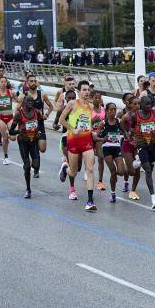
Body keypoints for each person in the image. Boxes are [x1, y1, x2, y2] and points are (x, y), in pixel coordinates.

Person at [59, 80, 98, 211]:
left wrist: (94, 130)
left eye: (88, 90)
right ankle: (65, 169)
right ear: (79, 91)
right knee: (73, 171)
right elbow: (61, 120)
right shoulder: (72, 103)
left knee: (90, 169)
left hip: (87, 142)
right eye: (84, 90)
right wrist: (72, 129)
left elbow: (89, 122)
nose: (87, 92)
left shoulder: (91, 106)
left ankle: (90, 201)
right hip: (73, 141)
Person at [126, 95, 155, 210]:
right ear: (142, 105)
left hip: (152, 144)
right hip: (141, 144)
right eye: (147, 104)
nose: (149, 106)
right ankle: (153, 198)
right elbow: (131, 128)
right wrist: (131, 134)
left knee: (150, 168)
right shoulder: (134, 115)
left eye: (150, 104)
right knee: (147, 169)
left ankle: (139, 161)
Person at [9, 96, 41, 198]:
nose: (30, 103)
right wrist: (19, 131)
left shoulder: (37, 112)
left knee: (36, 165)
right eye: (28, 101)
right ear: (24, 103)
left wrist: (39, 132)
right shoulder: (19, 114)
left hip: (34, 141)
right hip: (23, 142)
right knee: (27, 166)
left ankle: (27, 166)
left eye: (32, 101)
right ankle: (28, 189)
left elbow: (40, 123)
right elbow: (11, 131)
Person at [94, 102, 126, 203]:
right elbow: (95, 137)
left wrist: (129, 136)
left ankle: (113, 178)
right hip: (107, 148)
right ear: (107, 111)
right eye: (111, 110)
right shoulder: (103, 123)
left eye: (114, 109)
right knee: (113, 171)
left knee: (120, 172)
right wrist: (103, 139)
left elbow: (124, 132)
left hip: (116, 147)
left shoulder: (118, 122)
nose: (113, 112)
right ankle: (113, 193)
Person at [0, 76, 15, 165]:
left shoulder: (11, 93)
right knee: (5, 139)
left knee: (13, 138)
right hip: (0, 118)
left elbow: (18, 101)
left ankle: (7, 134)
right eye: (2, 82)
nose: (3, 83)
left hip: (10, 117)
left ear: (7, 83)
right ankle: (6, 156)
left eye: (5, 82)